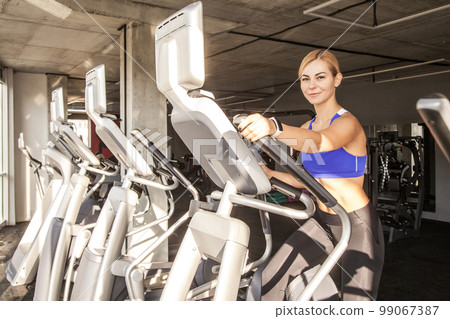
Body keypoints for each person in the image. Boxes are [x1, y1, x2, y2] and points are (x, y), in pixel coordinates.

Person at [238, 49, 384, 301]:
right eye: (305, 79)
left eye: (320, 77)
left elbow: (321, 142)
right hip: (324, 222)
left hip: (358, 226)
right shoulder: (308, 126)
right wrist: (270, 173)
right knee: (271, 280)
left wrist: (273, 127)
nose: (312, 85)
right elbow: (311, 180)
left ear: (336, 80)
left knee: (356, 306)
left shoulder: (348, 123)